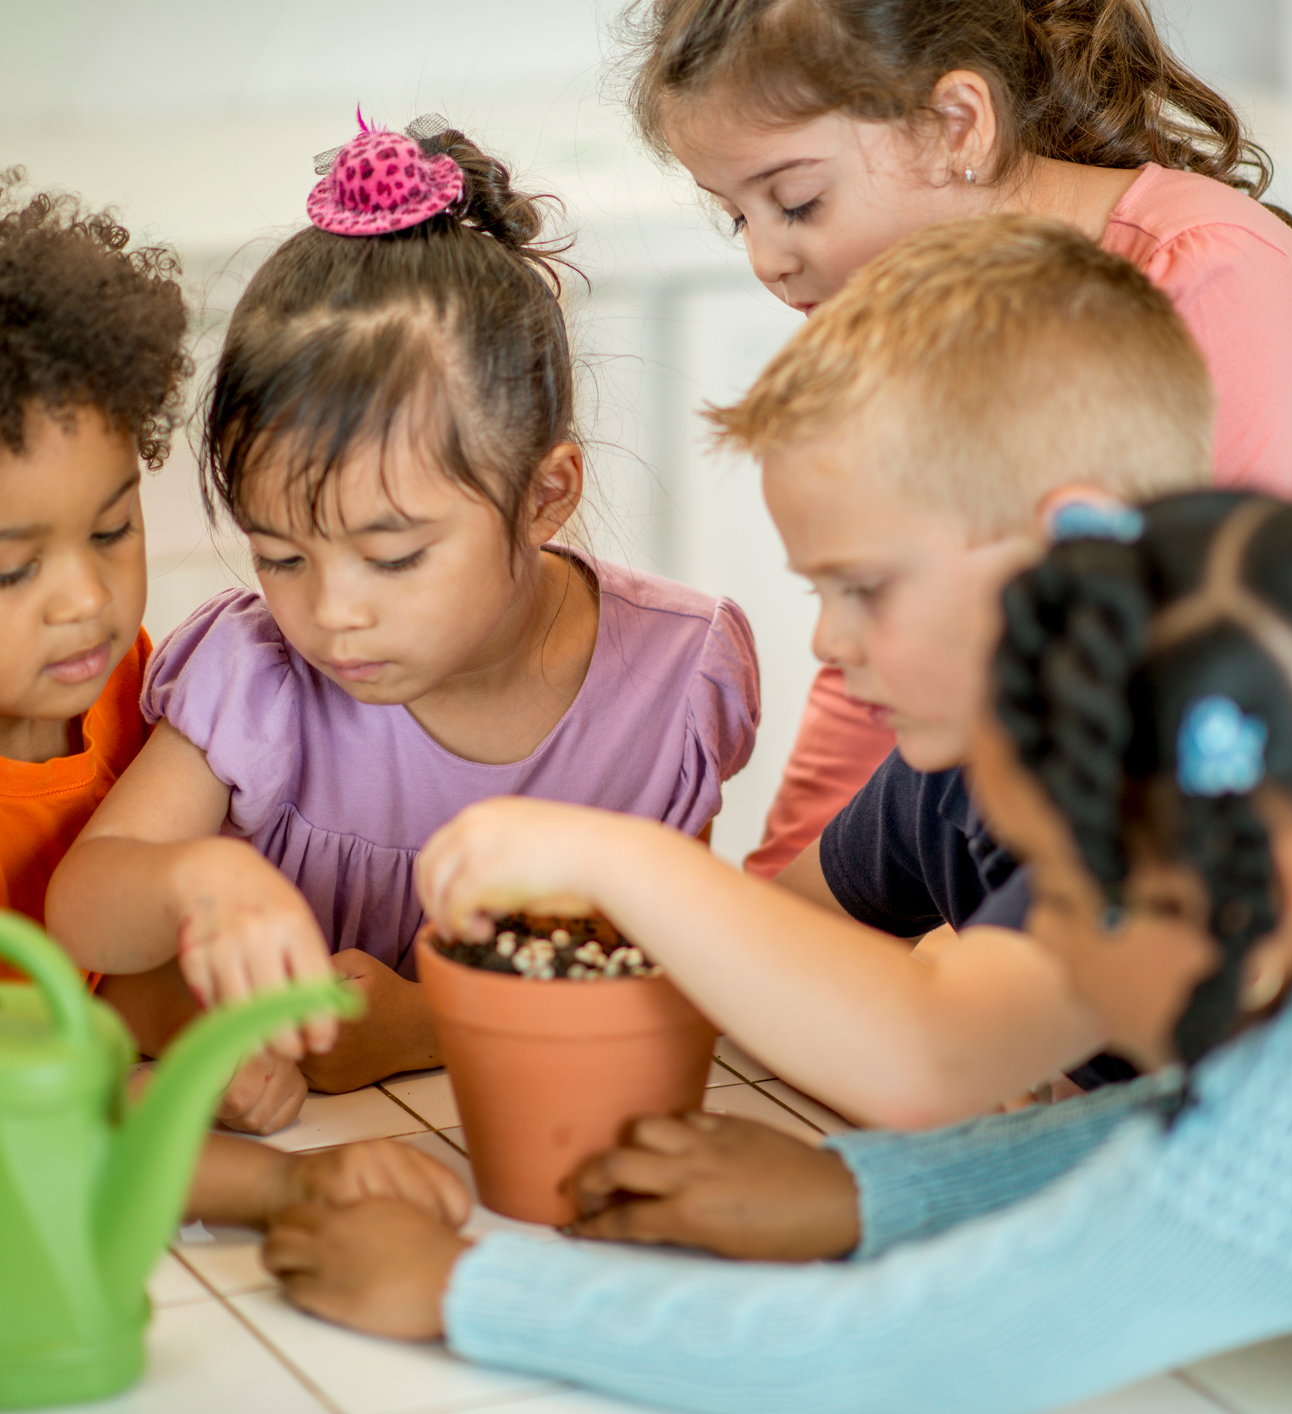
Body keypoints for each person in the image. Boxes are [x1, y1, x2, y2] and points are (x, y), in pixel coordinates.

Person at [268, 491, 1292, 1414]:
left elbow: (899, 1357)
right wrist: (862, 1188)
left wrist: (467, 1286)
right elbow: (1178, 1124)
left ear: (1252, 880)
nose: (1033, 935)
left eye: (1057, 888)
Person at [416, 213, 1213, 1129]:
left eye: (867, 588)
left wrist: (621, 859)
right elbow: (792, 938)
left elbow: (931, 1056)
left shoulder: (1181, 774)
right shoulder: (950, 772)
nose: (829, 642)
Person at [617, 0, 1292, 875]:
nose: (766, 258)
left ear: (957, 125)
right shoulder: (921, 319)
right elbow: (886, 637)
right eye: (739, 217)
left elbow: (1169, 656)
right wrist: (778, 887)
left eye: (797, 202)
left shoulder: (1212, 269)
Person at [46, 118, 759, 1096]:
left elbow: (674, 973)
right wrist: (190, 884)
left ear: (543, 496)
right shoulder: (255, 675)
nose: (333, 613)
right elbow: (83, 907)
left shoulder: (675, 682)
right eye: (281, 555)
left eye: (394, 556)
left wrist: (424, 1028)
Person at [0, 172, 471, 1220]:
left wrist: (206, 1032)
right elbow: (24, 1107)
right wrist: (280, 1181)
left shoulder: (128, 687)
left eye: (113, 531)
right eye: (10, 571)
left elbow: (97, 977)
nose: (84, 600)